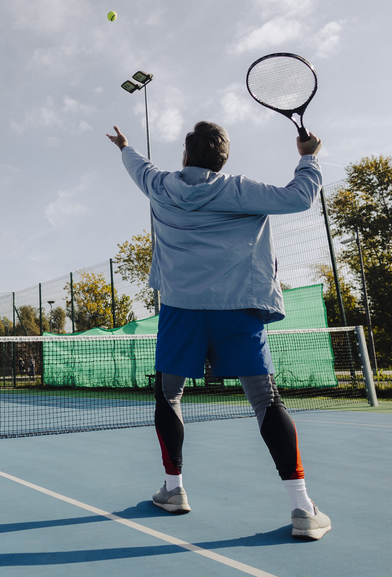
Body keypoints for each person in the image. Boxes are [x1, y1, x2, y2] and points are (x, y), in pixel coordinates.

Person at [106, 120, 331, 540]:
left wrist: (124, 146)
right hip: (238, 309)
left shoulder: (160, 185)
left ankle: (174, 490)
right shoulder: (239, 189)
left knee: (168, 394)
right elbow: (301, 197)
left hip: (181, 310)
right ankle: (302, 507)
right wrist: (308, 157)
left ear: (186, 158)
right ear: (222, 159)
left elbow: (138, 165)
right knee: (265, 400)